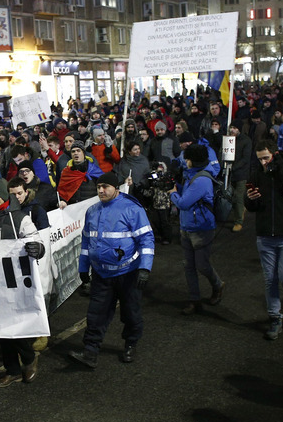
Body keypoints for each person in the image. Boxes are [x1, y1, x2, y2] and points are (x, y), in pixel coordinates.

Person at [69, 172, 154, 369]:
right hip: (102, 274)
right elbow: (87, 242)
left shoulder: (132, 209)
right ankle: (90, 351)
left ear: (116, 188)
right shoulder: (92, 211)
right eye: (99, 187)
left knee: (131, 312)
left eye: (105, 186)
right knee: (96, 313)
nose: (101, 190)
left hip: (128, 273)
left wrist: (144, 268)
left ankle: (131, 344)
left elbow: (146, 239)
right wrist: (83, 268)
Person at [0, 179, 46, 386]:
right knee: (1, 327)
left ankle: (28, 358)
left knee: (15, 327)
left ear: (5, 196)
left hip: (17, 281)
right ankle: (12, 370)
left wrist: (38, 248)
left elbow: (37, 239)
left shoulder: (21, 218)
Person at [244, 139, 283, 340]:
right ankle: (274, 317)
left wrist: (280, 169)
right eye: (260, 159)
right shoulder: (257, 173)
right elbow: (251, 205)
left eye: (266, 158)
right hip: (265, 235)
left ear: (275, 153)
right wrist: (250, 198)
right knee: (269, 279)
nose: (263, 163)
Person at [170, 144, 225, 315]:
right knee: (188, 266)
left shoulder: (201, 179)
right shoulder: (191, 175)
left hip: (201, 228)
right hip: (187, 226)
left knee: (201, 265)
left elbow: (184, 203)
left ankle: (217, 284)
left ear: (194, 161)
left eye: (187, 158)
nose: (185, 161)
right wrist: (177, 187)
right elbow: (187, 195)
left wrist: (172, 193)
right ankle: (194, 300)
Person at [227, 122, 252, 232]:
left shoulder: (246, 141)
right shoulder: (227, 140)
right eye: (231, 127)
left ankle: (238, 221)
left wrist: (234, 167)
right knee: (233, 196)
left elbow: (245, 159)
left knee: (238, 196)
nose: (232, 130)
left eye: (235, 127)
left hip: (241, 173)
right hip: (230, 174)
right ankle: (241, 209)